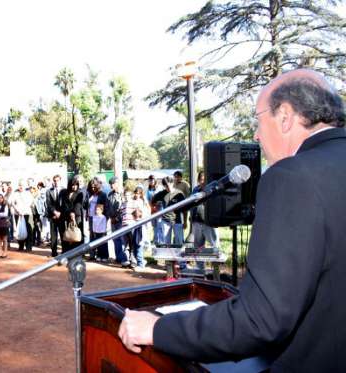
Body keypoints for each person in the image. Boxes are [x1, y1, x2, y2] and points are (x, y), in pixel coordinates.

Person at [118, 69, 346, 371]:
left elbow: (261, 320)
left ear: (285, 117)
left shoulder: (292, 177)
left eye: (258, 118)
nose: (256, 134)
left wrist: (157, 329)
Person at [84, 177, 108, 261]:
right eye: (91, 187)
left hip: (100, 218)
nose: (93, 188)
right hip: (91, 218)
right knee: (92, 236)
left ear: (98, 186)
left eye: (94, 186)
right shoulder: (89, 194)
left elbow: (106, 208)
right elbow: (85, 205)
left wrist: (104, 219)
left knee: (101, 236)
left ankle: (104, 255)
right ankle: (92, 254)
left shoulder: (103, 194)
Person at [107, 177, 129, 267]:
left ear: (117, 183)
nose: (111, 185)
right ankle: (118, 258)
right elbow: (108, 207)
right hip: (112, 220)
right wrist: (111, 217)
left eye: (113, 183)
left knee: (122, 239)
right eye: (110, 184)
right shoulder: (110, 194)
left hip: (121, 220)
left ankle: (124, 258)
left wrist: (117, 218)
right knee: (115, 239)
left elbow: (124, 207)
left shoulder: (122, 194)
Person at [58, 175, 84, 253]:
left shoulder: (80, 193)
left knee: (77, 233)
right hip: (65, 215)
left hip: (76, 216)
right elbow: (64, 205)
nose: (74, 187)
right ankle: (65, 251)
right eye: (73, 185)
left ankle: (77, 252)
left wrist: (73, 213)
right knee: (66, 234)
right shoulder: (64, 193)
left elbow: (78, 205)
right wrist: (69, 212)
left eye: (76, 185)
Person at [9, 180, 34, 252]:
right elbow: (12, 203)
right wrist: (18, 210)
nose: (21, 186)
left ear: (25, 186)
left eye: (22, 185)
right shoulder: (15, 194)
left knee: (29, 230)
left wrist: (23, 210)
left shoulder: (28, 193)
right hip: (18, 214)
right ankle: (21, 246)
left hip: (27, 214)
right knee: (19, 230)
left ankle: (29, 247)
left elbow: (30, 202)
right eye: (19, 185)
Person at [46, 175, 62, 257]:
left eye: (57, 180)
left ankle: (65, 251)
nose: (56, 182)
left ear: (60, 181)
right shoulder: (49, 191)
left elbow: (66, 203)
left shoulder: (64, 190)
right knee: (53, 234)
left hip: (62, 216)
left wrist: (60, 213)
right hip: (53, 216)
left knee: (63, 234)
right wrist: (55, 212)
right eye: (55, 180)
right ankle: (54, 252)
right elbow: (48, 204)